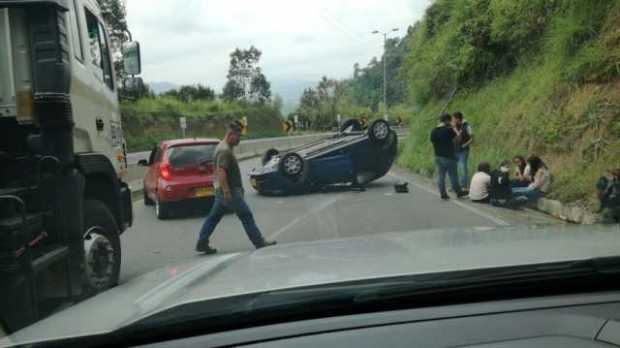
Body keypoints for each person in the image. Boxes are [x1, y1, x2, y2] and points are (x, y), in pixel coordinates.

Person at [196, 122, 276, 254]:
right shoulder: (225, 151)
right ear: (230, 134)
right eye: (238, 136)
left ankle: (202, 242)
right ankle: (259, 242)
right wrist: (227, 191)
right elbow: (222, 171)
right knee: (246, 215)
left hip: (220, 191)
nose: (240, 139)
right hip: (230, 192)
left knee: (213, 217)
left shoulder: (221, 146)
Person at [430, 113, 467, 200]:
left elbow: (433, 142)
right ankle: (458, 192)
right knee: (453, 175)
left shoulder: (434, 130)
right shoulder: (449, 130)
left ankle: (443, 193)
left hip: (438, 156)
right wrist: (454, 128)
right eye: (450, 121)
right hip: (449, 156)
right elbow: (459, 139)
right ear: (447, 121)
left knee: (441, 175)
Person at [453, 112, 473, 190]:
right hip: (455, 150)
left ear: (457, 119)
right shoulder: (454, 126)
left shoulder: (467, 126)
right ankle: (456, 185)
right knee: (455, 168)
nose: (453, 120)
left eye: (453, 118)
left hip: (463, 151)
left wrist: (465, 145)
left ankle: (464, 186)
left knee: (463, 168)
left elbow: (472, 138)